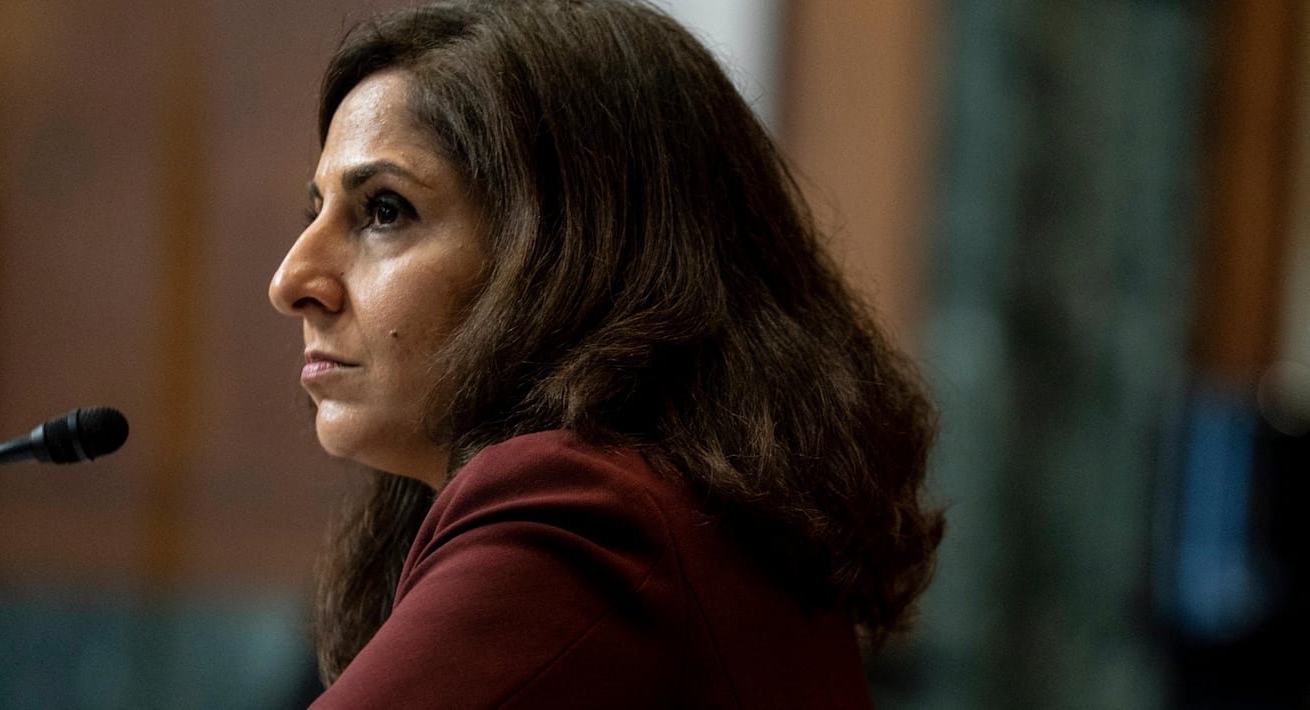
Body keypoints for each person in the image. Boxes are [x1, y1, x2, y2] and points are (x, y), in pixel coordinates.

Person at [268, 0, 944, 707]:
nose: (291, 281)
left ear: (566, 255)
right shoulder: (691, 508)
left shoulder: (584, 512)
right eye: (315, 212)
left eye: (384, 211)